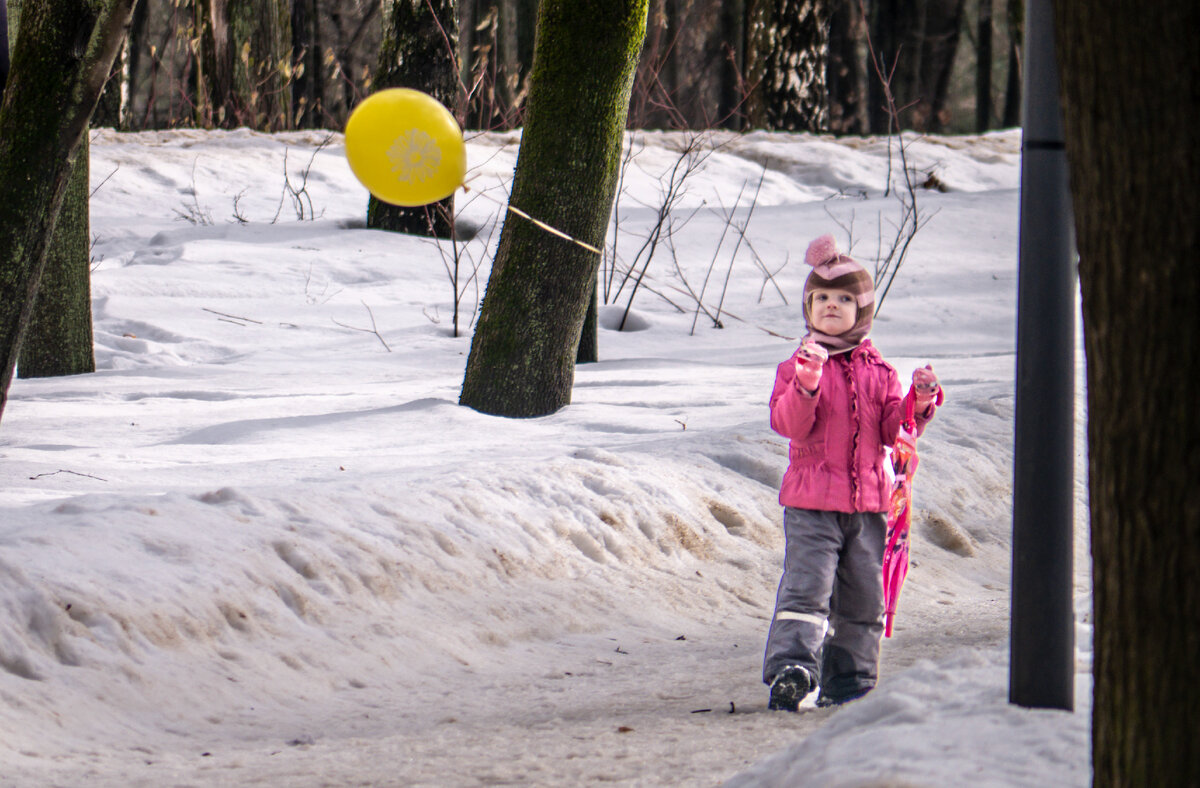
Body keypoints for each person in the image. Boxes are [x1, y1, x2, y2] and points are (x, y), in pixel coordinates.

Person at [763, 233, 941, 711]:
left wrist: (918, 403)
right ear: (808, 305)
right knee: (807, 588)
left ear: (862, 310)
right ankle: (793, 669)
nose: (831, 307)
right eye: (821, 298)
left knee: (864, 598)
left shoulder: (880, 371)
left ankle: (852, 681)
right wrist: (807, 383)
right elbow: (788, 424)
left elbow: (893, 431)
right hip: (812, 504)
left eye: (844, 299)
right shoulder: (796, 365)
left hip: (868, 506)